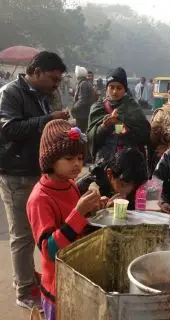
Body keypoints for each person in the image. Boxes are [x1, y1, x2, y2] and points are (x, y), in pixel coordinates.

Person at [0, 51, 69, 309]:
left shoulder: (44, 95)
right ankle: (24, 290)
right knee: (22, 235)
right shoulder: (11, 93)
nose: (56, 84)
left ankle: (27, 278)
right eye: (53, 78)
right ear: (36, 72)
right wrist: (46, 120)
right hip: (16, 174)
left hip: (37, 172)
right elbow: (9, 129)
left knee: (39, 230)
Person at [27, 120, 107, 320]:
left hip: (77, 274)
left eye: (80, 157)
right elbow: (50, 249)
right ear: (50, 160)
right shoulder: (40, 199)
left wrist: (94, 211)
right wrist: (79, 213)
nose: (78, 164)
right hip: (57, 287)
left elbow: (76, 228)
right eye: (69, 158)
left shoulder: (70, 185)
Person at [87, 67, 150, 163]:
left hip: (129, 163)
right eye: (111, 87)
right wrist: (104, 126)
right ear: (106, 88)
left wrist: (125, 129)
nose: (115, 91)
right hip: (104, 162)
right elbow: (91, 138)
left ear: (125, 89)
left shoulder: (133, 108)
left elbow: (145, 135)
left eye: (119, 88)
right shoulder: (98, 108)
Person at [71, 66, 96, 133]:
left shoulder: (83, 84)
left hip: (82, 114)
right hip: (84, 114)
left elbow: (83, 100)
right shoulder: (85, 83)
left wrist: (74, 108)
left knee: (80, 133)